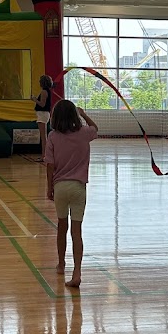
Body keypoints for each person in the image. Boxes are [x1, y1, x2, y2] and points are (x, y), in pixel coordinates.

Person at [45, 99, 98, 289]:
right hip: (78, 187)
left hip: (60, 187)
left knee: (62, 226)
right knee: (77, 231)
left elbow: (50, 165)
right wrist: (83, 114)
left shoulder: (53, 136)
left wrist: (49, 187)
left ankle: (61, 264)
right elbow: (95, 128)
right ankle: (77, 272)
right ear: (74, 116)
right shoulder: (84, 133)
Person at [33, 75, 54, 161]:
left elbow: (42, 104)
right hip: (43, 114)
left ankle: (44, 155)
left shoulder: (44, 92)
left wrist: (35, 99)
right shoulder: (47, 91)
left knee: (43, 136)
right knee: (43, 136)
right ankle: (44, 155)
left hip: (43, 114)